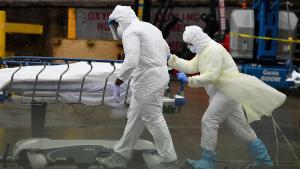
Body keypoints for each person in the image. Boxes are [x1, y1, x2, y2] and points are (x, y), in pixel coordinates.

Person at [168, 25, 286, 169]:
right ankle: (264, 161)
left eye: (190, 44)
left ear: (197, 41)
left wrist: (190, 81)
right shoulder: (203, 50)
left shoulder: (213, 50)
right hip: (225, 92)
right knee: (240, 128)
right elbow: (191, 66)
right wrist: (172, 59)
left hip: (227, 92)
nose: (189, 47)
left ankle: (208, 161)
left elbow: (211, 76)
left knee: (209, 120)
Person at [98, 5, 178, 169]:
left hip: (148, 79)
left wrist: (119, 80)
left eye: (115, 25)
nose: (116, 30)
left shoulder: (130, 32)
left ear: (120, 21)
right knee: (135, 118)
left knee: (153, 118)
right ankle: (122, 154)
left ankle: (169, 160)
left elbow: (132, 60)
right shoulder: (150, 27)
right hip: (157, 76)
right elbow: (167, 52)